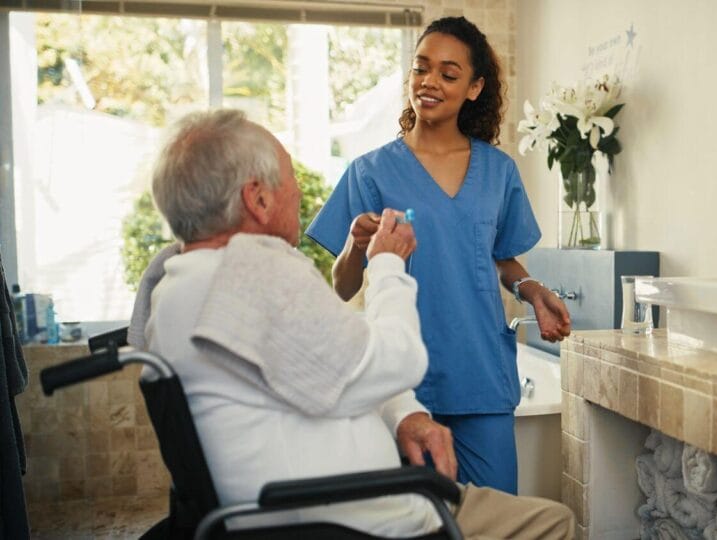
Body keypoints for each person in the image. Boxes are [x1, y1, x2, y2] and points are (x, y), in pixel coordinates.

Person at [131, 109, 575, 538]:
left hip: (301, 504)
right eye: (287, 180)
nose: (298, 195)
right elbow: (394, 361)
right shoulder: (256, 273)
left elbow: (326, 364)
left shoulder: (179, 283)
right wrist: (385, 263)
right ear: (258, 198)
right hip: (355, 514)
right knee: (556, 520)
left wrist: (402, 414)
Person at [306, 16, 571, 495]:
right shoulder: (370, 171)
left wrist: (533, 291)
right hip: (403, 386)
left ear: (474, 88)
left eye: (448, 74)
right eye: (421, 68)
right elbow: (344, 286)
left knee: (496, 520)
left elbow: (500, 259)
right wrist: (352, 245)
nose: (429, 82)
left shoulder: (498, 171)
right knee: (416, 522)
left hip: (481, 377)